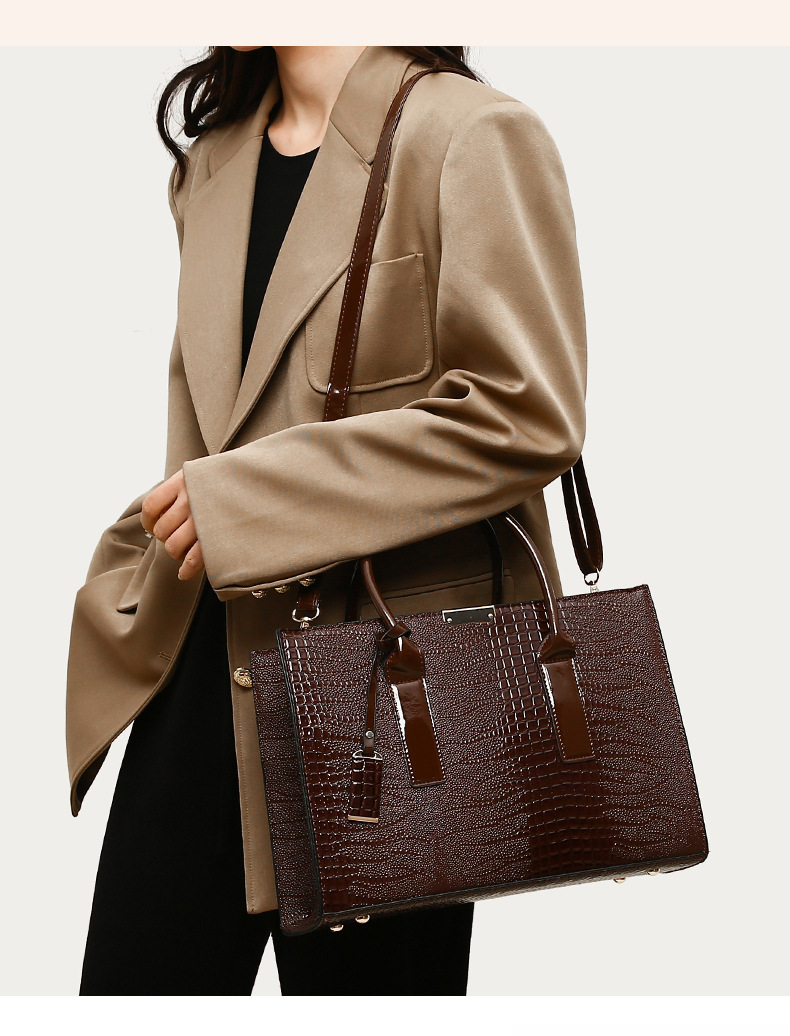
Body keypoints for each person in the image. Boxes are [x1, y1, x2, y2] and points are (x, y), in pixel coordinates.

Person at [68, 44, 588, 995]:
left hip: (387, 697)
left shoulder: (470, 134)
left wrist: (249, 503)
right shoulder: (212, 163)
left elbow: (527, 411)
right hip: (202, 675)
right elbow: (211, 424)